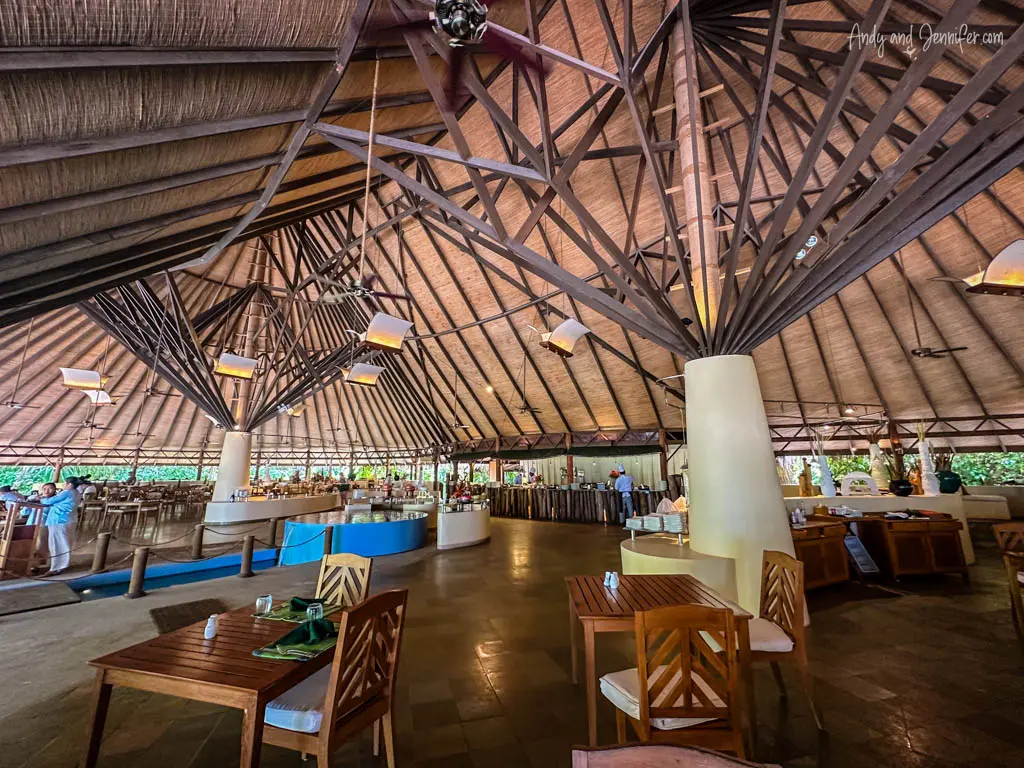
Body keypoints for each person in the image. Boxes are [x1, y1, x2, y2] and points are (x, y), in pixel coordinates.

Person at [38, 477, 81, 576]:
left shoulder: (67, 492)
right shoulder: (77, 493)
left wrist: (41, 499)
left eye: (65, 483)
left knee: (56, 544)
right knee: (64, 543)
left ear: (69, 484)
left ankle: (56, 567)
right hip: (69, 520)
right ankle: (62, 565)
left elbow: (49, 501)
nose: (63, 485)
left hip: (59, 520)